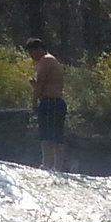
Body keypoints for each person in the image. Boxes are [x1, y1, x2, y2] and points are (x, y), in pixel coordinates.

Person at [24, 39, 68, 169]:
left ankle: (48, 164)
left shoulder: (46, 60)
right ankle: (54, 165)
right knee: (50, 134)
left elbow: (41, 84)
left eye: (32, 53)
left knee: (49, 135)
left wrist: (33, 102)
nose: (32, 57)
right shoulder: (51, 61)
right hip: (54, 101)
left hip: (51, 102)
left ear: (39, 49)